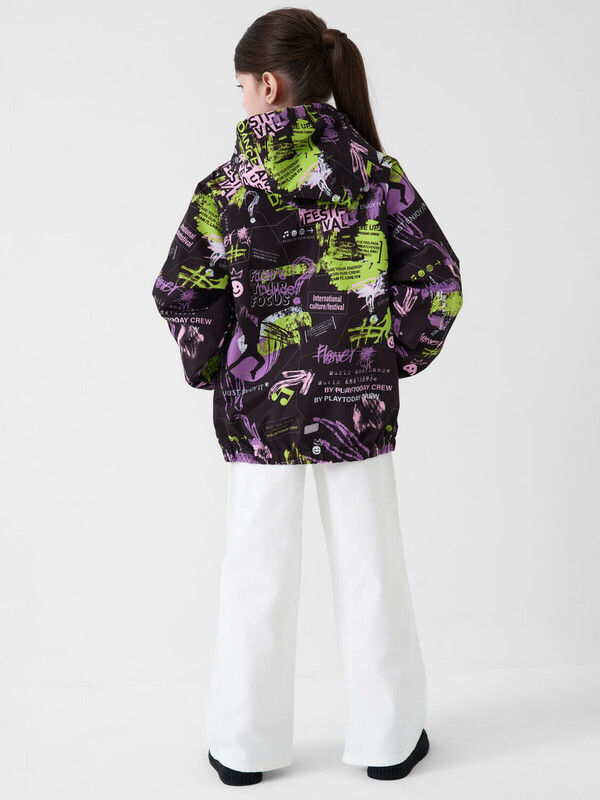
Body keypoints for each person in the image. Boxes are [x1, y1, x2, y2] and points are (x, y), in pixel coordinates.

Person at [151, 7, 463, 786]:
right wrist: (385, 355)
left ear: (267, 85)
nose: (239, 98)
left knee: (254, 577)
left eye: (239, 86)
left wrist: (226, 366)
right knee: (372, 569)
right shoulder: (378, 175)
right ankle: (389, 741)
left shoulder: (225, 189)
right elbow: (439, 280)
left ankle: (243, 748)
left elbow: (180, 289)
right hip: (358, 406)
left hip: (261, 413)